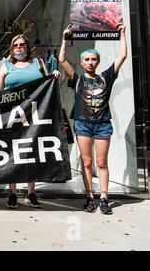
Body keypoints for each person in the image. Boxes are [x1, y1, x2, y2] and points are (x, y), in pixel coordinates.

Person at [59, 23, 127, 215]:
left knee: (102, 162)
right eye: (87, 59)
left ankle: (104, 198)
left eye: (93, 59)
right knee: (87, 162)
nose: (90, 62)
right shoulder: (77, 79)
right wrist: (65, 37)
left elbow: (122, 56)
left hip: (102, 125)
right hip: (83, 124)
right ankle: (89, 196)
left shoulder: (106, 77)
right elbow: (62, 59)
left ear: (98, 62)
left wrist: (122, 34)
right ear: (81, 62)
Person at [0, 35, 61, 209]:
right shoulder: (5, 65)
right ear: (12, 48)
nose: (19, 47)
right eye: (15, 45)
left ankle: (31, 193)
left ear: (27, 47)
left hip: (35, 114)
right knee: (12, 151)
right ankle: (12, 193)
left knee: (33, 151)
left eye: (22, 44)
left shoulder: (38, 63)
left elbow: (48, 82)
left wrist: (54, 75)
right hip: (13, 115)